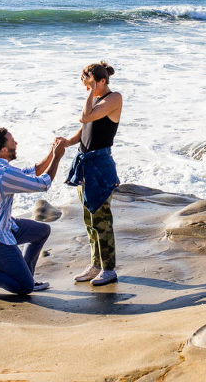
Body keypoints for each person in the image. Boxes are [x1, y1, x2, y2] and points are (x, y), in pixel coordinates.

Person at [0, 127, 65, 294]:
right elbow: (43, 184)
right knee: (24, 287)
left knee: (42, 231)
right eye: (12, 141)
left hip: (3, 226)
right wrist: (57, 158)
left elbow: (29, 173)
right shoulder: (1, 174)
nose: (16, 143)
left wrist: (51, 152)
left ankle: (27, 275)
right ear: (4, 150)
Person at [60, 61, 122, 286]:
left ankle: (109, 268)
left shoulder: (114, 98)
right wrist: (68, 141)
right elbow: (85, 128)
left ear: (102, 81)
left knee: (102, 217)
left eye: (89, 85)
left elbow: (85, 118)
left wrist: (92, 94)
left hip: (101, 164)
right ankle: (96, 264)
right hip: (85, 163)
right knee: (89, 218)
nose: (87, 90)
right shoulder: (95, 100)